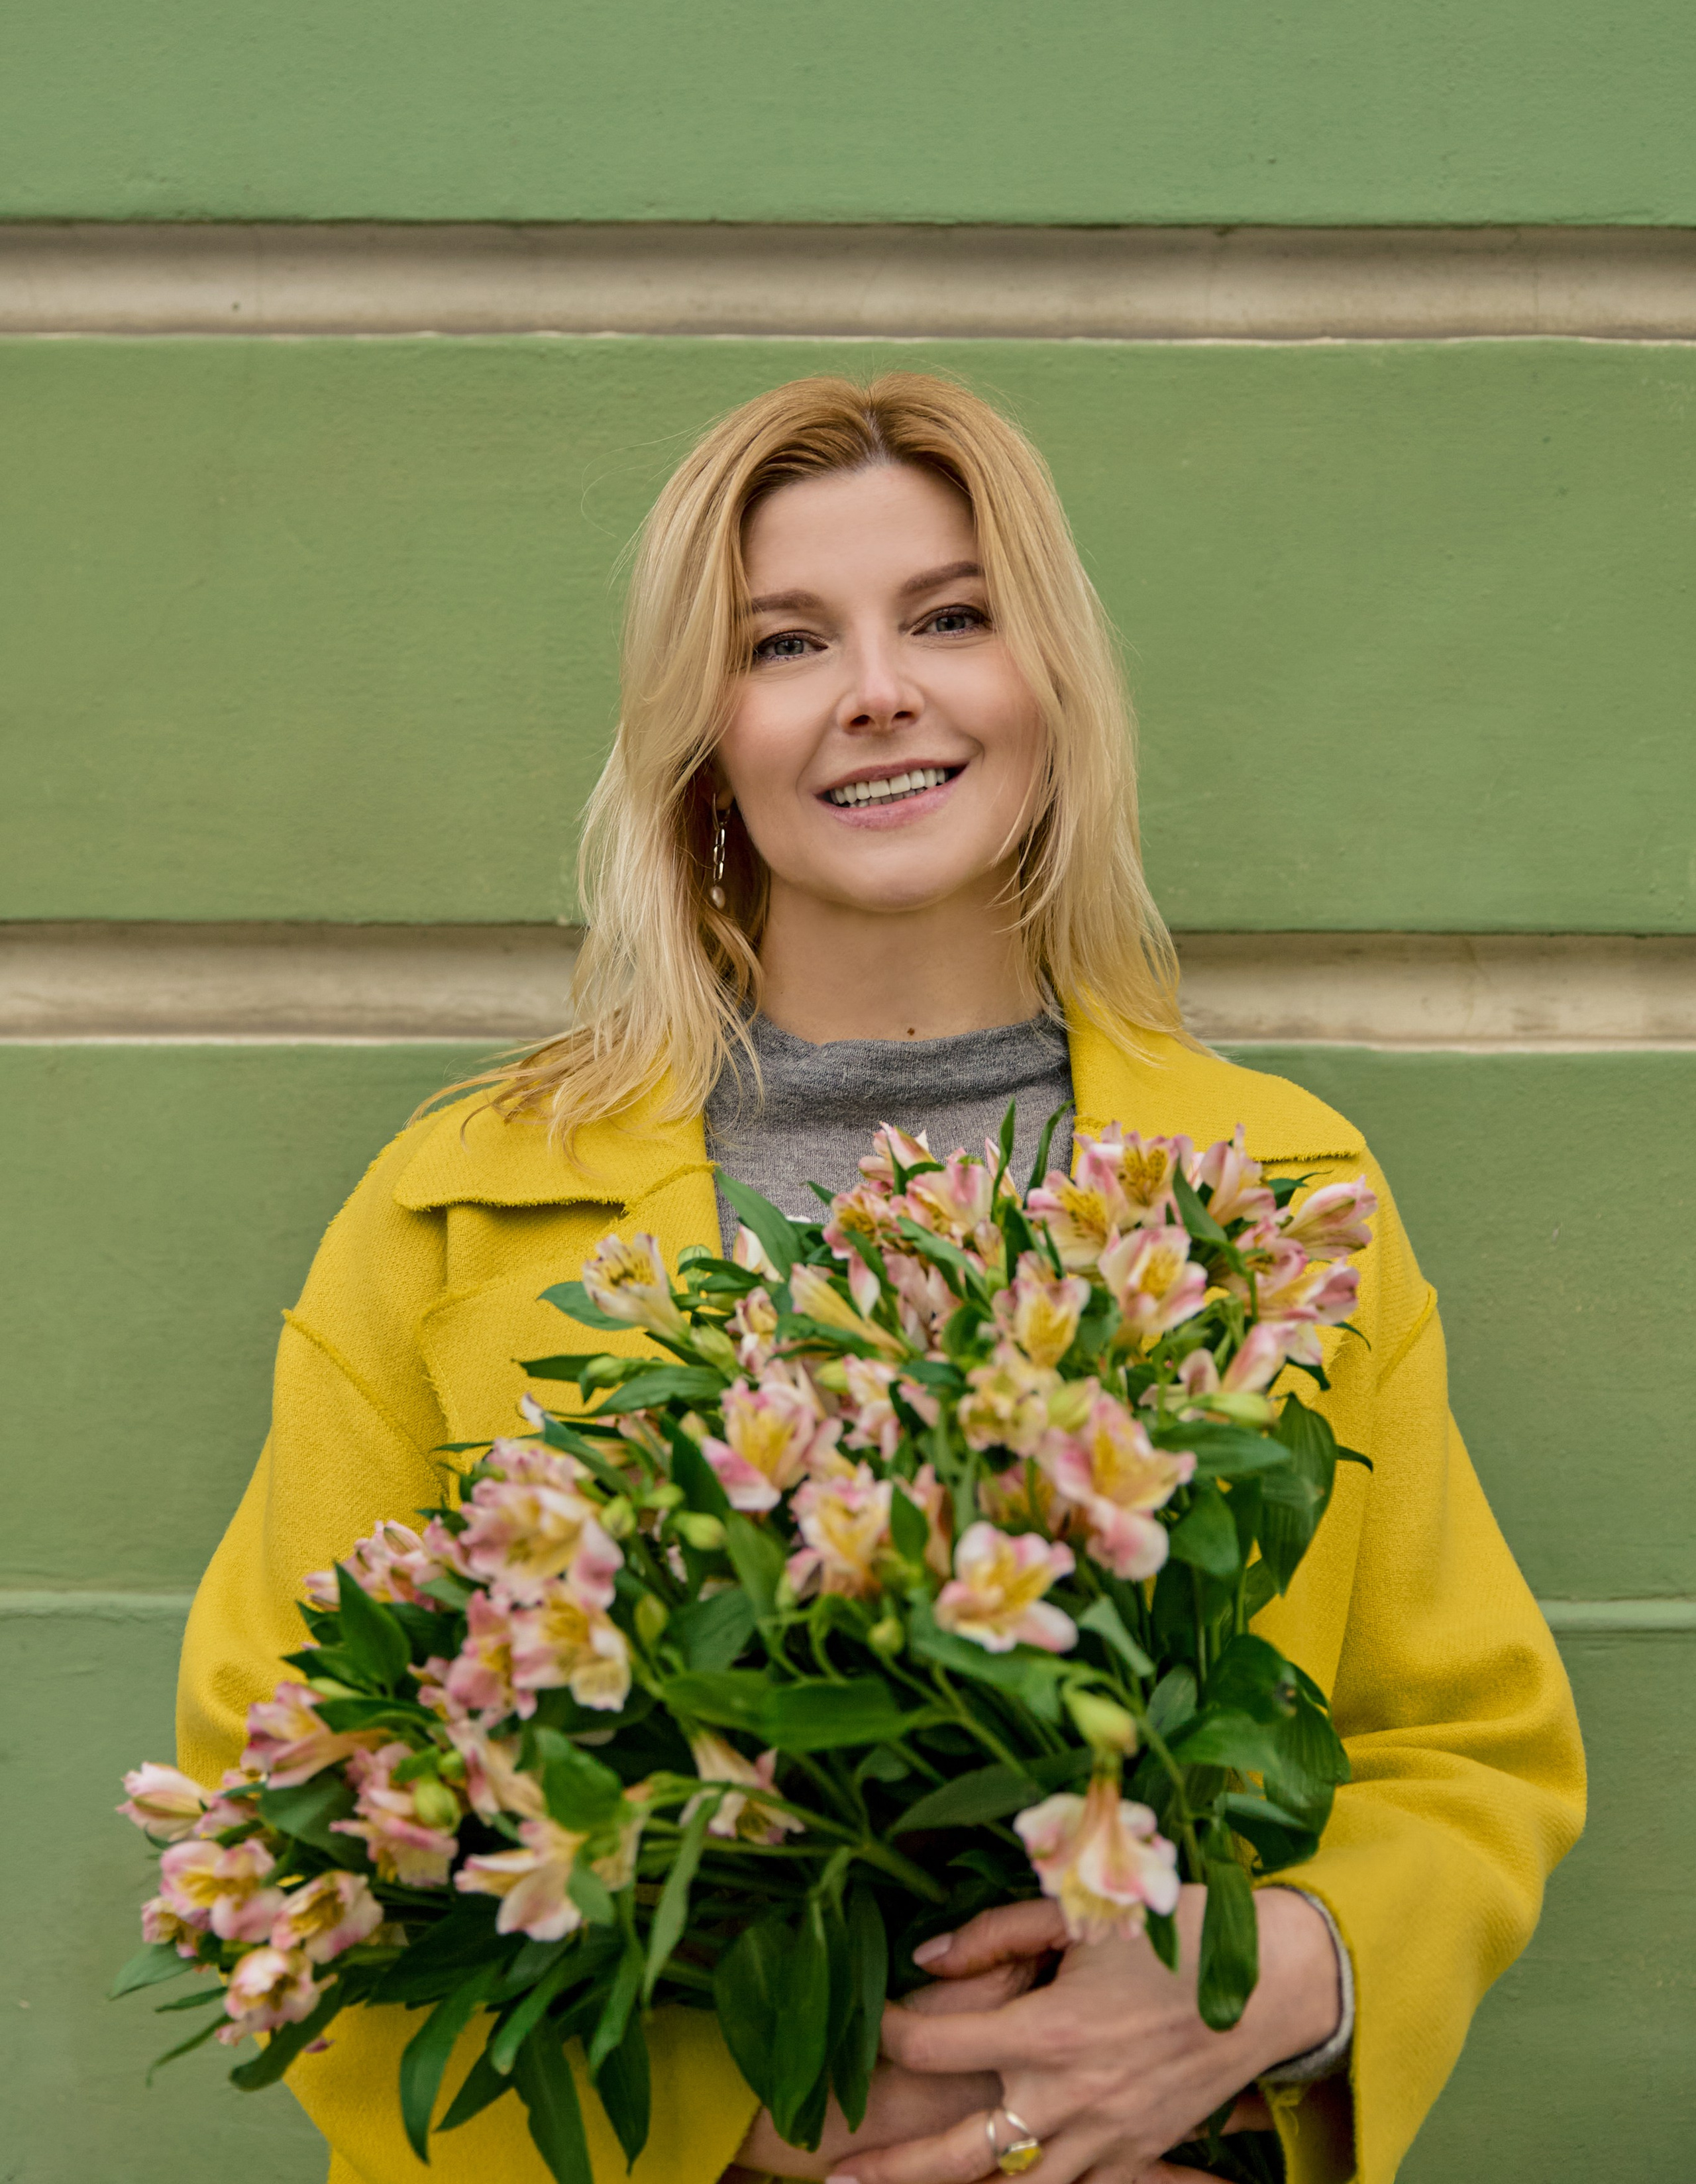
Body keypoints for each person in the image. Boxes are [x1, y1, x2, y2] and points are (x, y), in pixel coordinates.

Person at [178, 374, 1584, 2184]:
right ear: (704, 740)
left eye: (950, 617)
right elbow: (280, 1795)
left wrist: (1265, 1987)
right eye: (784, 643)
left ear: (1049, 687)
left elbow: (1470, 1753)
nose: (878, 691)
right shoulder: (459, 1208)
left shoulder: (1280, 1194)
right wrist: (760, 2117)